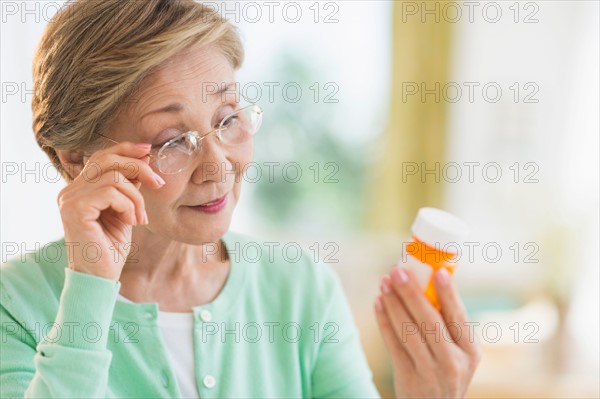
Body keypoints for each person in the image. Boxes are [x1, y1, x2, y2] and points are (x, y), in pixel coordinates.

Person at [0, 0, 480, 397]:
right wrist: (89, 286)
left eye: (228, 119)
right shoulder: (16, 306)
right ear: (78, 161)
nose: (219, 167)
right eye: (172, 140)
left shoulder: (300, 289)